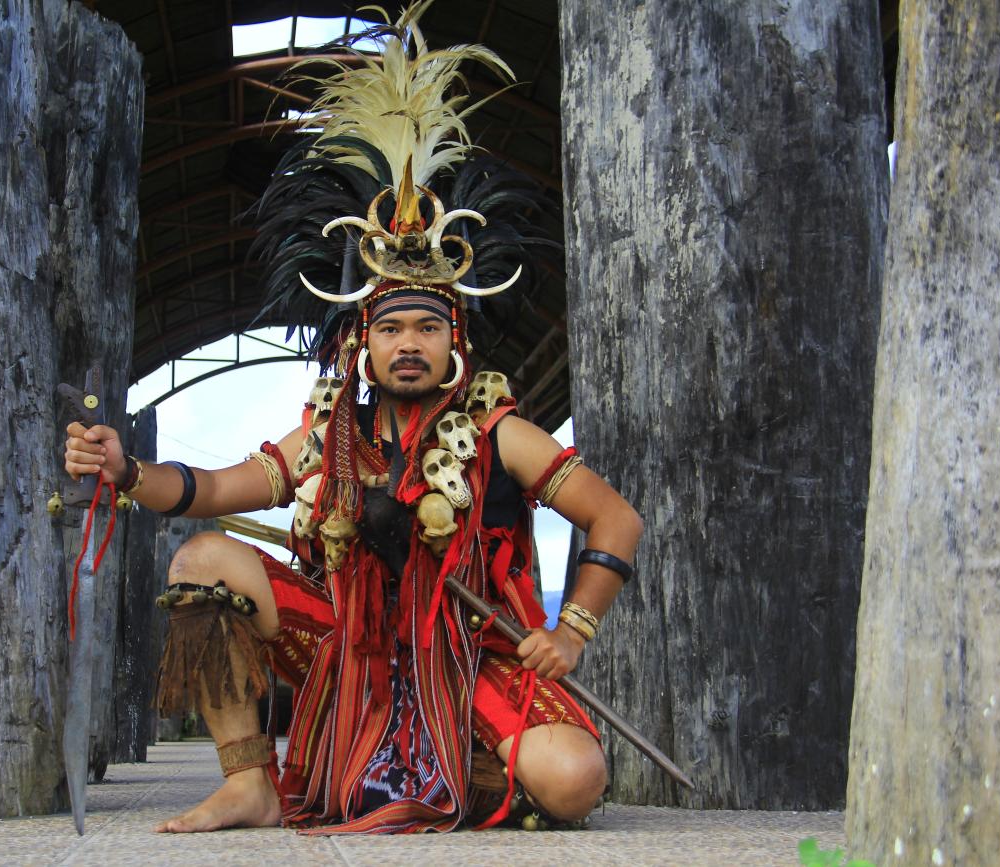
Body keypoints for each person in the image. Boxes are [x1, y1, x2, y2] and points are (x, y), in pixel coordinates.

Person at [63, 1, 643, 835]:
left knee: (577, 777)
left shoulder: (499, 430)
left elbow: (613, 517)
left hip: (468, 650)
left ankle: (440, 766)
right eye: (392, 329)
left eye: (428, 328)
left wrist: (573, 630)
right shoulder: (330, 427)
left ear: (456, 340)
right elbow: (213, 486)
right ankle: (251, 780)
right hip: (348, 643)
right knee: (202, 557)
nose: (410, 345)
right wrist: (125, 471)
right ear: (362, 343)